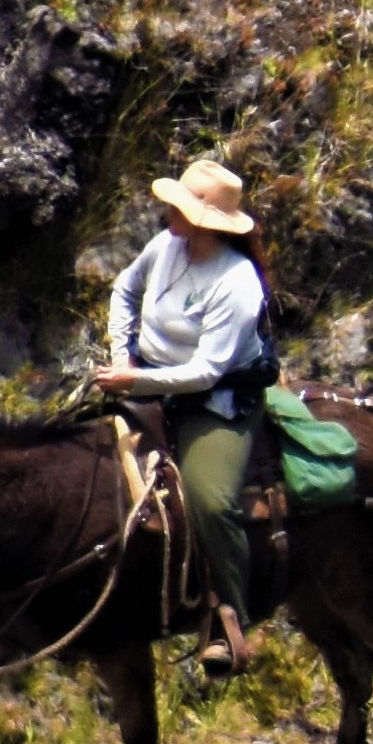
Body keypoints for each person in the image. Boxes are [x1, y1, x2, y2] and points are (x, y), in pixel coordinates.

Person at [101, 157, 278, 666]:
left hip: (213, 400)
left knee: (210, 497)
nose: (167, 210)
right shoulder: (165, 247)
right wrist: (121, 356)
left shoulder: (237, 281)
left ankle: (232, 619)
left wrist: (133, 381)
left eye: (179, 205)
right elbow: (124, 291)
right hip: (144, 380)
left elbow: (206, 371)